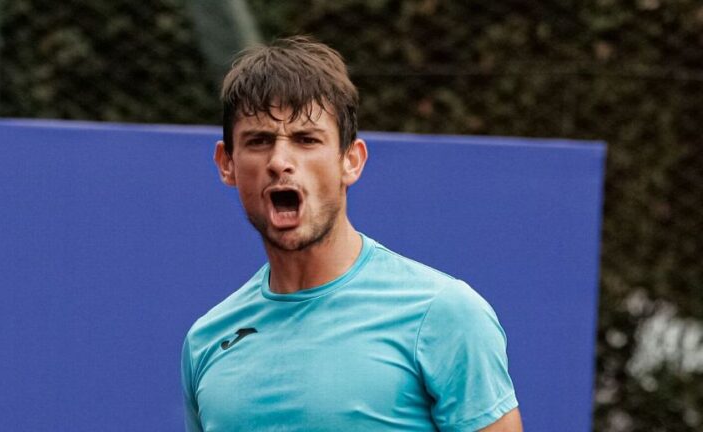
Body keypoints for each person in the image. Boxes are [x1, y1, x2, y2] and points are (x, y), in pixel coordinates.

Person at [181, 36, 522, 432]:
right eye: (258, 141)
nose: (279, 161)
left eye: (307, 140)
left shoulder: (443, 313)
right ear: (227, 165)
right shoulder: (207, 340)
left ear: (351, 161)